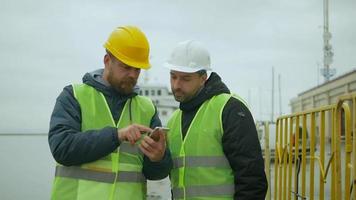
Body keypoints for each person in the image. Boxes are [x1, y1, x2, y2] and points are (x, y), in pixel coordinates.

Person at [48, 26, 172, 200]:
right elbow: (62, 148)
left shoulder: (147, 108)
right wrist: (117, 135)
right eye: (126, 67)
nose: (132, 75)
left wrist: (159, 158)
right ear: (107, 60)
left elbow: (156, 174)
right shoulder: (74, 96)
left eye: (137, 69)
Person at [164, 40, 267, 200]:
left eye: (185, 78)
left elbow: (251, 178)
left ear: (203, 77)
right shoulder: (173, 121)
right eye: (173, 76)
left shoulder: (229, 108)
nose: (177, 85)